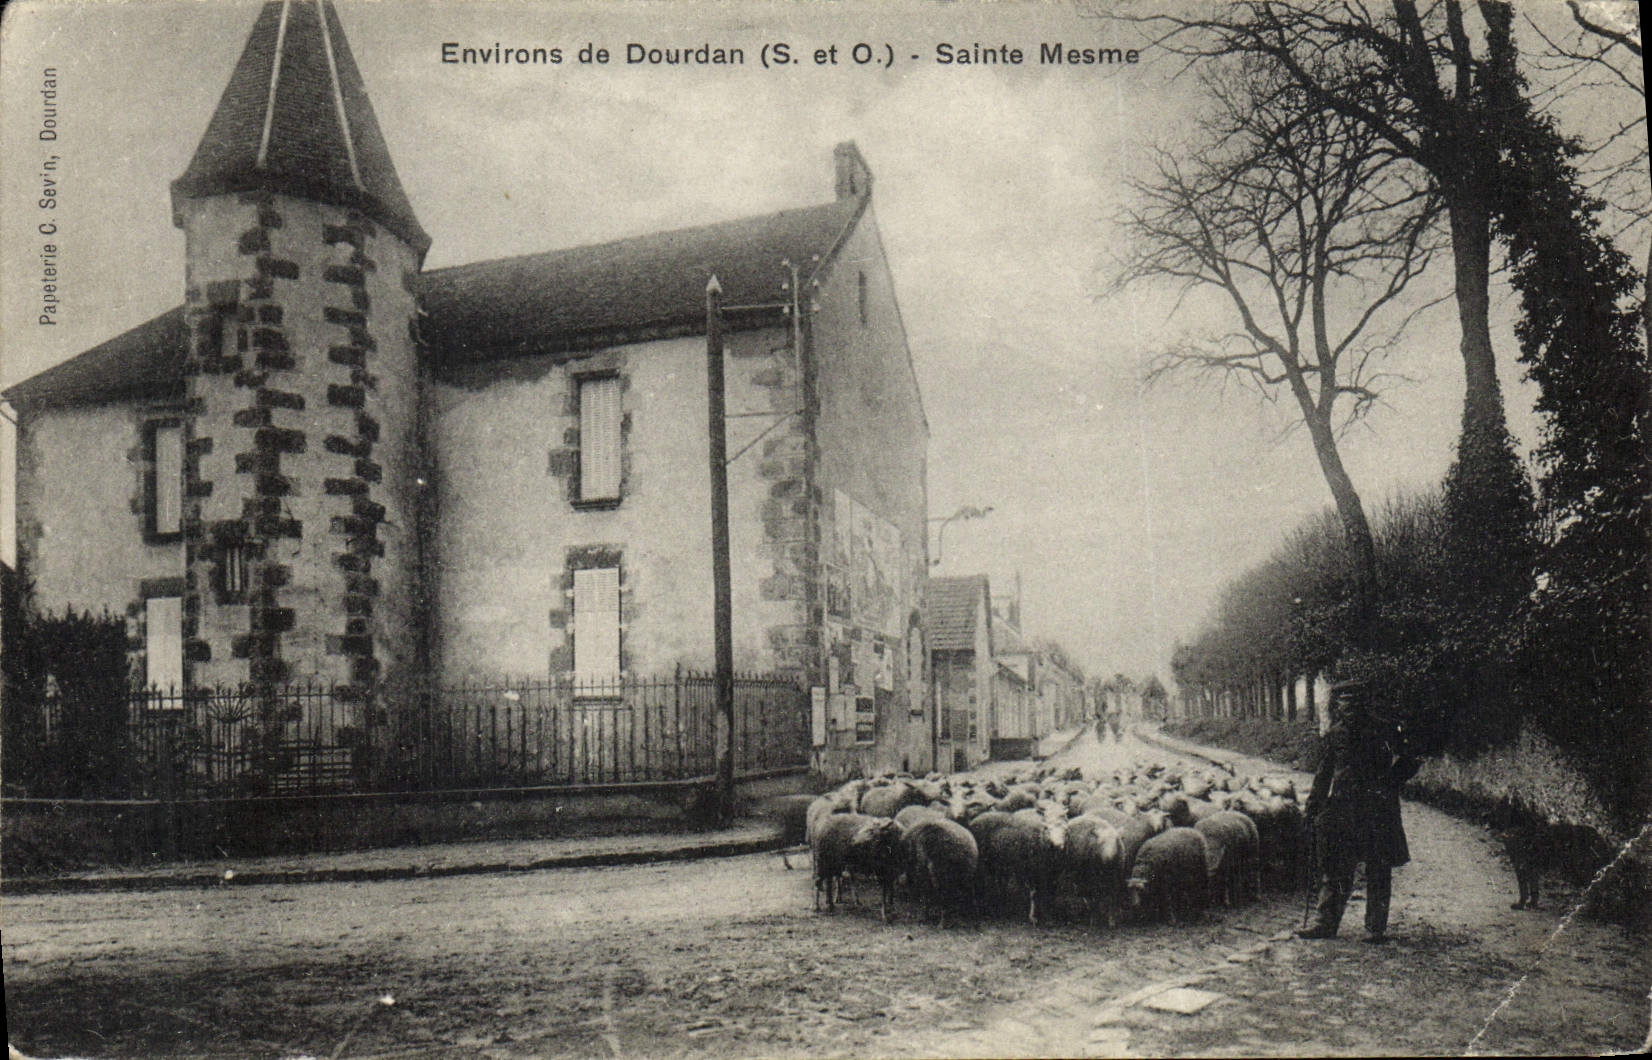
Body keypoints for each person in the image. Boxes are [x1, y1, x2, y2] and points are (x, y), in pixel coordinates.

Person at [1298, 677, 1420, 943]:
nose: (1348, 709)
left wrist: (1390, 782)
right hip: (1342, 807)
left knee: (1378, 866)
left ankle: (1375, 927)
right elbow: (1324, 773)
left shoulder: (1385, 730)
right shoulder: (1335, 734)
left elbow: (1412, 758)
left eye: (1354, 703)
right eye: (1344, 704)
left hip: (1377, 808)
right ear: (1338, 707)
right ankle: (1325, 923)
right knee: (1335, 865)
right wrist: (1313, 807)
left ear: (1365, 704)